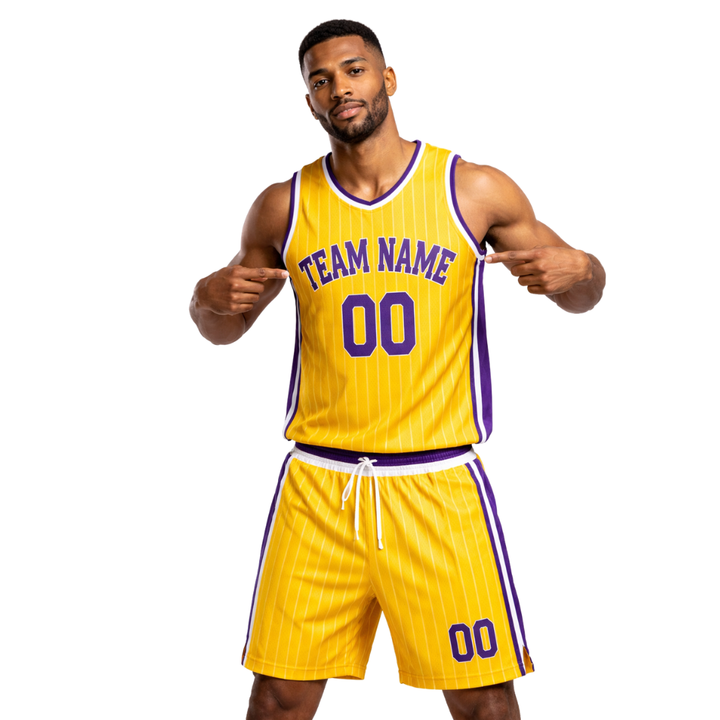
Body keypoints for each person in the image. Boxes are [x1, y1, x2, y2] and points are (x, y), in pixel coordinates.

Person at [190, 19, 605, 720]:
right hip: (320, 488)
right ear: (309, 101)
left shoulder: (471, 189)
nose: (339, 88)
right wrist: (204, 299)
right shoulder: (283, 205)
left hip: (437, 485)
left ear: (387, 78)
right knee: (278, 698)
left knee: (483, 701)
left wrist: (583, 269)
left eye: (354, 70)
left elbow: (582, 293)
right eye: (321, 80)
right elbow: (223, 327)